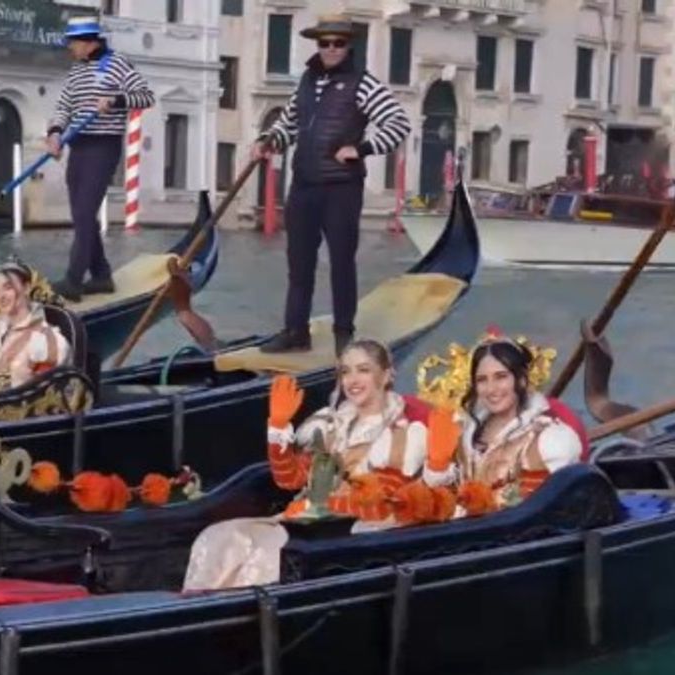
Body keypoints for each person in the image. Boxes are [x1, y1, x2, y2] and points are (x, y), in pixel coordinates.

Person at [182, 339, 444, 591]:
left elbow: (385, 498)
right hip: (308, 523)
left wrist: (328, 501)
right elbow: (290, 479)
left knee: (265, 553)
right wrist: (279, 427)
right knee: (222, 535)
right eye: (346, 372)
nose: (352, 380)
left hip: (350, 533)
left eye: (363, 370)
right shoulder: (332, 425)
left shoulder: (402, 435)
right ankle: (197, 605)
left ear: (386, 375)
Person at [252, 14, 411, 357]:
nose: (331, 49)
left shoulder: (363, 83)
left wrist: (362, 149)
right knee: (299, 263)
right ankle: (296, 331)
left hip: (341, 188)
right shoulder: (306, 82)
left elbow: (398, 123)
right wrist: (268, 139)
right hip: (304, 184)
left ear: (348, 46)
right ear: (318, 45)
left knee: (341, 261)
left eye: (338, 43)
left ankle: (343, 332)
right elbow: (288, 124)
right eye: (325, 43)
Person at [46, 16, 154, 303]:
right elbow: (64, 106)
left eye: (73, 42)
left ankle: (73, 280)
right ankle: (102, 275)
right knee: (82, 215)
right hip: (78, 146)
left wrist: (115, 101)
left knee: (84, 214)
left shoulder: (117, 63)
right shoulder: (76, 71)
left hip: (103, 147)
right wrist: (55, 133)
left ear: (88, 42)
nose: (70, 47)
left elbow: (146, 96)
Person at [422, 334, 583, 515]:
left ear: (521, 379)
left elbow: (551, 506)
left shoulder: (548, 439)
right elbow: (443, 504)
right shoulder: (464, 433)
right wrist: (438, 466)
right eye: (482, 380)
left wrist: (487, 501)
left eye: (501, 377)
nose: (491, 389)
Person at [0, 261, 72, 390]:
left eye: (8, 287)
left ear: (26, 288)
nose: (1, 296)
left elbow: (49, 393)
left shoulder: (44, 340)